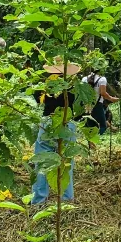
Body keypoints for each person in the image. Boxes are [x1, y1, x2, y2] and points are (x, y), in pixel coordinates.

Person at [32, 59, 81, 206]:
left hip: (48, 120)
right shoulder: (74, 84)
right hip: (68, 122)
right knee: (66, 161)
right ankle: (66, 199)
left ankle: (39, 201)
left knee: (41, 160)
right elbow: (80, 104)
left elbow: (37, 99)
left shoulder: (45, 83)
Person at [85, 68, 120, 135]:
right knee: (103, 126)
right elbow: (103, 93)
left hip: (87, 104)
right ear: (100, 71)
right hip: (97, 104)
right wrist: (112, 99)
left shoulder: (85, 78)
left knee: (89, 125)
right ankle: (94, 137)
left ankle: (90, 141)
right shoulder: (102, 79)